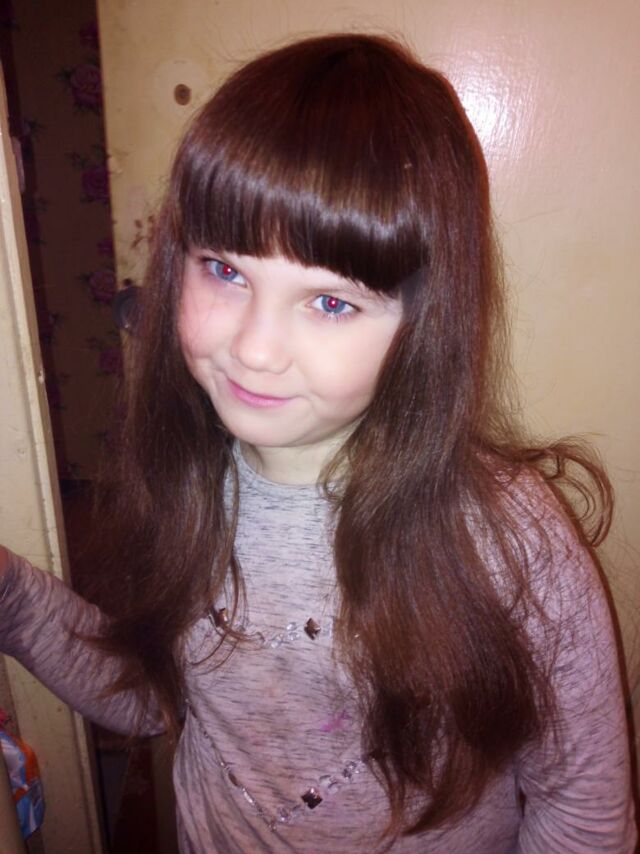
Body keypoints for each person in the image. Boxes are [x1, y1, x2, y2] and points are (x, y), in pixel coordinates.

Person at [0, 33, 636, 852]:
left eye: (331, 303)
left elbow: (583, 813)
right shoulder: (186, 474)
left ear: (423, 324)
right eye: (225, 270)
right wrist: (14, 597)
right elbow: (149, 698)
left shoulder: (510, 540)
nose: (255, 348)